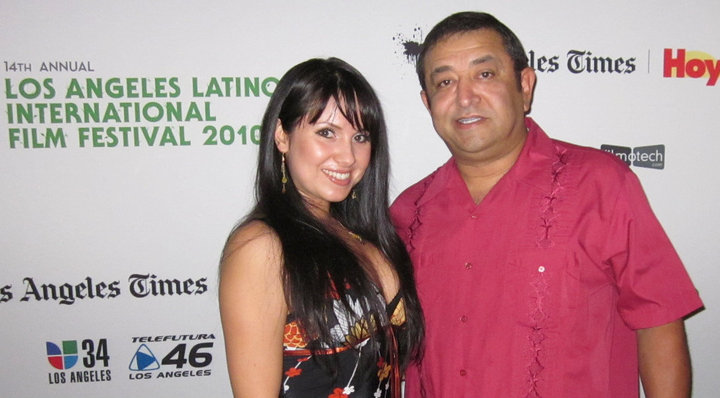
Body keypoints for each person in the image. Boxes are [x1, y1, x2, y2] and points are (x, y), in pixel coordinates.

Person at [390, 11, 703, 398]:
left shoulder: (600, 184)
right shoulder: (408, 212)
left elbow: (658, 320)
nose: (465, 96)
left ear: (524, 85)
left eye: (484, 74)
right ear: (427, 102)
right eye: (445, 82)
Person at [219, 57, 423, 398]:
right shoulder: (262, 246)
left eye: (360, 136)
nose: (347, 156)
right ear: (282, 136)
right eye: (326, 133)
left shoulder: (359, 233)